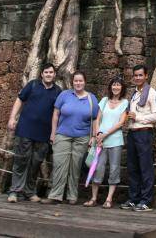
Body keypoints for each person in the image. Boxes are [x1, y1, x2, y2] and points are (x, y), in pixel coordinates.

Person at [6, 62, 62, 203]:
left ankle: (29, 192)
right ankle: (14, 191)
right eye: (46, 72)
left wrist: (55, 133)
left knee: (35, 163)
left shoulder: (58, 91)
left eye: (51, 72)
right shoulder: (32, 85)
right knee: (21, 160)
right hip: (25, 129)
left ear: (54, 75)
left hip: (43, 134)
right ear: (42, 74)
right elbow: (19, 100)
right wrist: (12, 118)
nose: (49, 74)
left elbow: (59, 112)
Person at [41, 71, 99, 205]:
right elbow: (56, 114)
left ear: (85, 82)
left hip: (82, 137)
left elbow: (95, 119)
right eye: (76, 81)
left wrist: (94, 136)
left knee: (75, 167)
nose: (78, 83)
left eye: (81, 81)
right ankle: (55, 195)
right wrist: (53, 133)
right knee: (59, 165)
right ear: (72, 82)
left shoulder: (91, 98)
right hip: (62, 135)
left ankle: (72, 196)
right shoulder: (64, 95)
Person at [84, 76, 128, 209]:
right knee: (98, 168)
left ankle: (109, 199)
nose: (116, 87)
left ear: (122, 88)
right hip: (100, 141)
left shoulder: (125, 103)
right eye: (114, 85)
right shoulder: (104, 100)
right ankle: (93, 198)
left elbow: (121, 122)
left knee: (114, 169)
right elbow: (97, 119)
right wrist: (98, 135)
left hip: (115, 140)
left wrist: (105, 134)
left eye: (118, 85)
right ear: (110, 87)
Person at [121, 64, 156, 212]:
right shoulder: (135, 94)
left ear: (146, 76)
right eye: (135, 75)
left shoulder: (152, 93)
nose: (137, 78)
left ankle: (145, 201)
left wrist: (139, 117)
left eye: (140, 75)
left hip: (144, 133)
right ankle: (134, 198)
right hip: (132, 133)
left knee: (145, 167)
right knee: (132, 167)